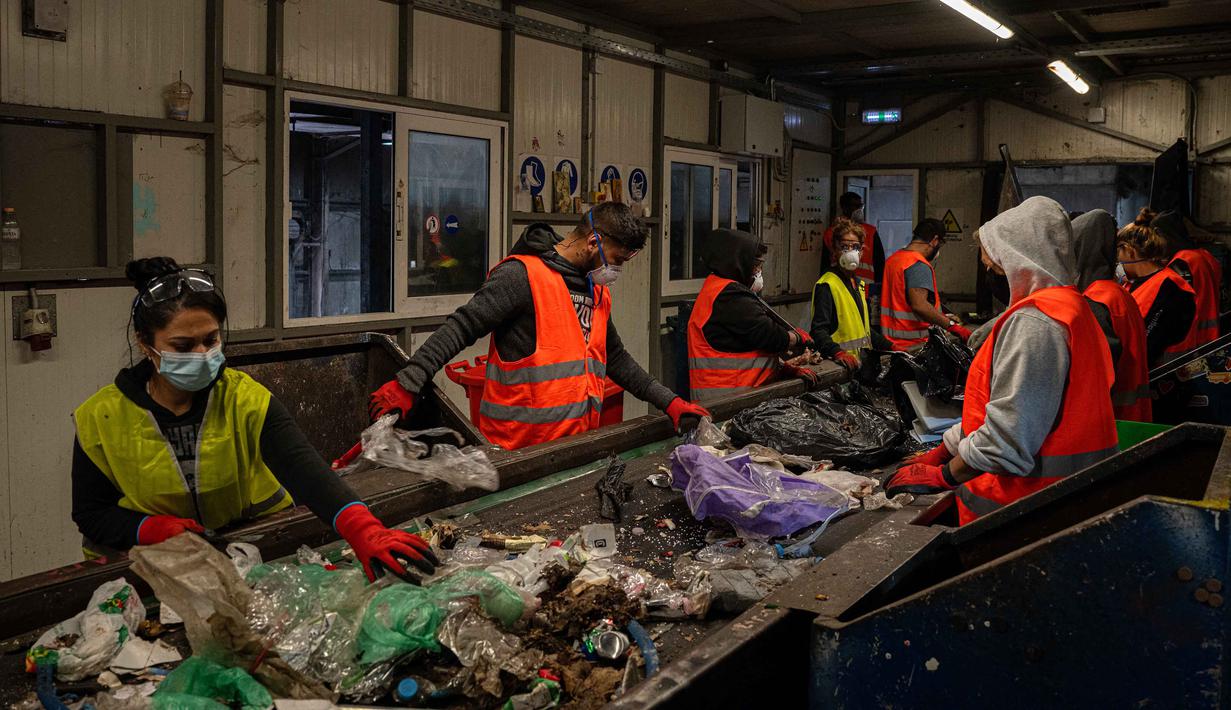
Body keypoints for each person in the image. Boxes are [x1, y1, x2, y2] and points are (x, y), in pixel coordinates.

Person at [72, 258, 436, 583]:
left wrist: (365, 529)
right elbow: (91, 513)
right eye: (183, 346)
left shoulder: (243, 398)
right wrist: (147, 528)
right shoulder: (102, 417)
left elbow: (307, 473)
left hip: (250, 554)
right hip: (157, 572)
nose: (202, 354)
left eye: (210, 339)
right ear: (145, 344)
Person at [369, 203, 710, 450]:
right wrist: (409, 381)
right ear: (593, 242)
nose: (616, 271)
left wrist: (670, 402)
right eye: (617, 260)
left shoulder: (595, 289)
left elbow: (615, 358)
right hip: (516, 452)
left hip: (571, 447)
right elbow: (461, 327)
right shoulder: (521, 276)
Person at [885, 197, 1118, 525]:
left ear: (1019, 261)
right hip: (1070, 496)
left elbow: (1006, 441)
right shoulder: (1072, 308)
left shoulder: (1036, 323)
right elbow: (1007, 409)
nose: (993, 277)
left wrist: (945, 476)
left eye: (995, 267)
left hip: (1027, 512)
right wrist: (945, 449)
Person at [687, 228, 817, 401]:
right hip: (727, 402)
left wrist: (781, 368)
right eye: (755, 266)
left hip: (733, 397)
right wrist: (796, 338)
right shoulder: (730, 295)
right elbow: (769, 336)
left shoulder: (718, 288)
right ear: (737, 262)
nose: (758, 272)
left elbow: (744, 346)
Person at [1073, 210, 1152, 422]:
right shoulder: (1119, 294)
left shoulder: (1095, 301)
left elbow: (1096, 378)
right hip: (1134, 416)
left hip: (1112, 422)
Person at [809, 218, 893, 371]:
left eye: (855, 247)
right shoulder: (827, 285)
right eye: (844, 247)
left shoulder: (858, 285)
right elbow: (818, 331)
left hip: (860, 366)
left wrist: (892, 346)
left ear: (861, 251)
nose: (850, 252)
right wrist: (838, 353)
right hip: (839, 367)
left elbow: (864, 330)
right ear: (835, 250)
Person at [1117, 215, 1197, 366]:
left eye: (1118, 251)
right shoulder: (1133, 283)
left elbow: (1152, 341)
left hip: (1165, 374)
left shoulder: (1171, 287)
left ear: (1129, 251)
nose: (1116, 261)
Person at [880, 218, 970, 349]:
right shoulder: (917, 264)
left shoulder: (893, 260)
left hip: (891, 342)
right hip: (913, 344)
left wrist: (942, 316)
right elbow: (920, 305)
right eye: (940, 244)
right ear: (934, 241)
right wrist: (952, 326)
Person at [1150, 208, 1222, 345]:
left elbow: (1173, 309)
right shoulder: (1206, 256)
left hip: (1188, 342)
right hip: (1211, 337)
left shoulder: (1181, 263)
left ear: (1162, 234)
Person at [822, 192, 884, 288]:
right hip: (840, 286)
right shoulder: (831, 233)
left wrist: (879, 288)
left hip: (866, 289)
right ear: (844, 207)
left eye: (861, 206)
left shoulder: (871, 232)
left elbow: (879, 263)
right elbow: (825, 263)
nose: (859, 209)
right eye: (855, 206)